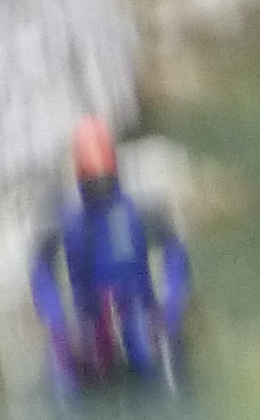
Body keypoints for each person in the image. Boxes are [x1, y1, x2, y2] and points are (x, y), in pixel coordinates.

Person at [31, 117, 191, 392]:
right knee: (64, 379)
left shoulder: (139, 208)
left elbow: (174, 251)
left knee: (160, 373)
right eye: (93, 182)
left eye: (103, 181)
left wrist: (170, 308)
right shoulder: (66, 217)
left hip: (139, 316)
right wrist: (57, 323)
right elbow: (41, 269)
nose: (98, 189)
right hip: (90, 322)